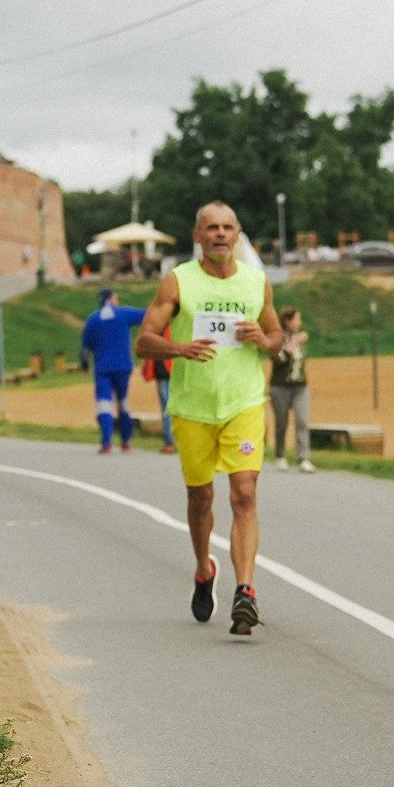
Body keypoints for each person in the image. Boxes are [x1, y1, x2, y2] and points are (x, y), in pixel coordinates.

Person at [135, 202, 281, 635]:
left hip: (244, 403)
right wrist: (178, 348)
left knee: (245, 494)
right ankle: (204, 569)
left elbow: (276, 338)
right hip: (193, 408)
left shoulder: (258, 282)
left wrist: (263, 338)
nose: (220, 234)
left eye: (227, 227)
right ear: (197, 235)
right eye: (211, 228)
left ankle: (246, 592)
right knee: (200, 499)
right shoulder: (178, 280)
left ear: (238, 234)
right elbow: (144, 342)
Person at [79, 289, 147, 452]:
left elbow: (85, 348)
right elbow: (147, 316)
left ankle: (107, 441)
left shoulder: (93, 319)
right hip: (122, 366)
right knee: (123, 402)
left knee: (104, 404)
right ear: (111, 299)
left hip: (102, 368)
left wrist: (85, 365)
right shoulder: (124, 314)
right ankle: (126, 440)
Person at [267, 307, 314, 472]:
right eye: (296, 319)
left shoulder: (300, 339)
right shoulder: (278, 339)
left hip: (300, 387)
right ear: (287, 321)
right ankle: (280, 455)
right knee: (282, 423)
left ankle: (303, 458)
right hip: (280, 387)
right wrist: (292, 345)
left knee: (302, 421)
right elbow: (278, 360)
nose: (299, 322)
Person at [144, 351, 176, 453]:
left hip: (165, 371)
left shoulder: (160, 334)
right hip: (172, 370)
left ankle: (170, 441)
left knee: (167, 409)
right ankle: (174, 440)